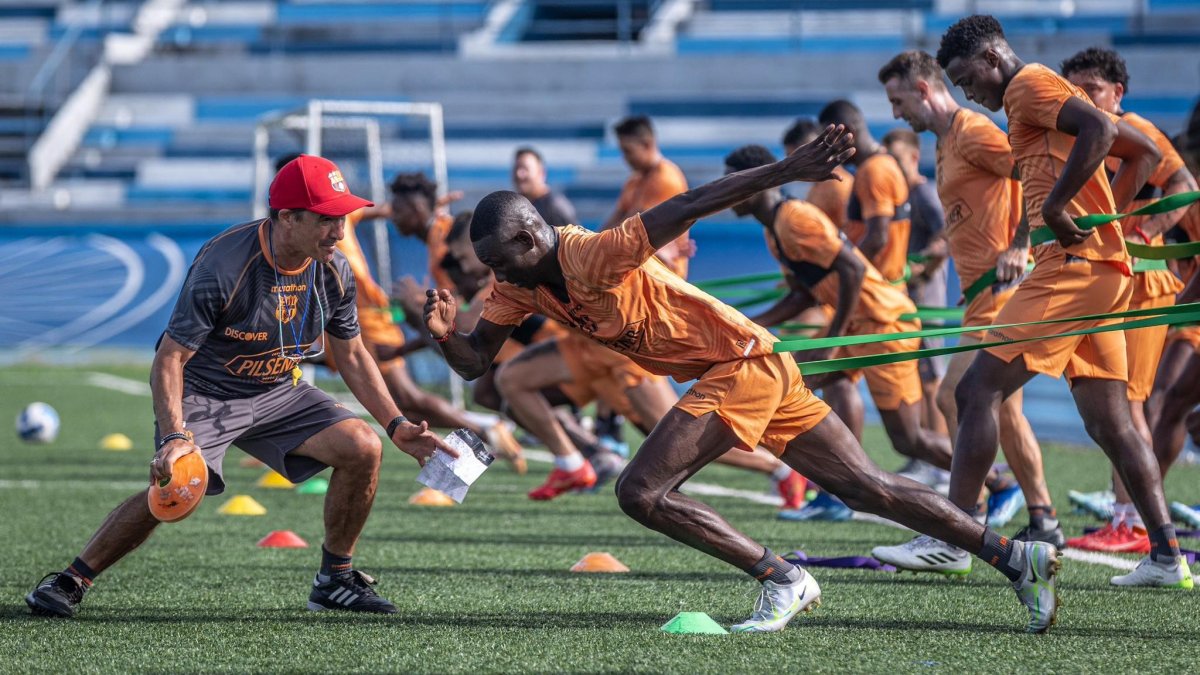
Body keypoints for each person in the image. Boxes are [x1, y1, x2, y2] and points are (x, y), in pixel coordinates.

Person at [426, 126, 1062, 634]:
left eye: (499, 260)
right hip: (750, 364)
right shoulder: (518, 283)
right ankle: (1015, 557)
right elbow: (479, 360)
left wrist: (789, 170)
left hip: (742, 364)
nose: (493, 276)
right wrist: (444, 336)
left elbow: (692, 202)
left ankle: (782, 578)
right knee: (867, 488)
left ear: (530, 235)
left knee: (641, 491)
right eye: (486, 267)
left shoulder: (593, 252)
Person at [25, 155, 454, 618]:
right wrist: (173, 437)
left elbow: (352, 355)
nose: (340, 231)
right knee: (181, 488)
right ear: (288, 219)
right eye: (327, 219)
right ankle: (72, 579)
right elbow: (170, 358)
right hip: (205, 393)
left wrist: (395, 424)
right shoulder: (224, 264)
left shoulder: (333, 269)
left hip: (277, 391)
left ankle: (336, 578)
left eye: (342, 217)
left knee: (363, 447)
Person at [937, 15, 1191, 589]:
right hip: (1097, 266)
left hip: (1070, 268)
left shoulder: (1028, 85)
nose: (966, 94)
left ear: (990, 60)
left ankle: (951, 534)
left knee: (975, 391)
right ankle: (1168, 558)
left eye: (964, 79)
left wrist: (1056, 210)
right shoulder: (1031, 96)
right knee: (1111, 422)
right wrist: (1111, 226)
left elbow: (1102, 132)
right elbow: (1143, 152)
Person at [724, 144, 1017, 529]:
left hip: (883, 324)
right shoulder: (774, 230)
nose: (728, 193)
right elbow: (802, 294)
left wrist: (833, 335)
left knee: (908, 439)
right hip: (858, 324)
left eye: (733, 181)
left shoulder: (796, 218)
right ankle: (838, 491)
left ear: (755, 181)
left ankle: (999, 483)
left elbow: (852, 270)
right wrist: (747, 321)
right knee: (801, 380)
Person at [873, 51, 1061, 563]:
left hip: (1002, 294)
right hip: (982, 293)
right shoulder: (943, 142)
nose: (895, 114)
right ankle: (1042, 518)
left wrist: (1020, 244)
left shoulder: (973, 129)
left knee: (957, 393)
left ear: (923, 88)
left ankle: (960, 528)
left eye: (898, 100)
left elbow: (1033, 172)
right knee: (1000, 409)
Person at [269, 156, 527, 473]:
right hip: (346, 316)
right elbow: (385, 211)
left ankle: (485, 428)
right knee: (400, 404)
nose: (394, 217)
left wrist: (429, 212)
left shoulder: (439, 243)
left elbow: (465, 298)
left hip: (368, 317)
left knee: (405, 397)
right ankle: (481, 428)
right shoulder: (335, 219)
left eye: (402, 210)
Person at [1058, 47, 1200, 553]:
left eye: (1091, 90)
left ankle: (1133, 525)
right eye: (1074, 90)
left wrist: (1138, 229)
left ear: (1118, 92)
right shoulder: (1087, 133)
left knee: (1133, 404)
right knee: (1122, 404)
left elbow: (1185, 186)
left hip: (1145, 280)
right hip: (1120, 279)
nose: (1082, 99)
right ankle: (1130, 519)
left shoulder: (1134, 127)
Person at [882, 128, 953, 453]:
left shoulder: (923, 194)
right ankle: (926, 453)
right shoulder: (898, 194)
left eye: (895, 159)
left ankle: (939, 455)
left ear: (912, 157)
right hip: (905, 298)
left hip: (926, 297)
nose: (891, 167)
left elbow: (946, 235)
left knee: (930, 378)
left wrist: (921, 270)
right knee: (915, 374)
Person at [818, 100, 912, 285]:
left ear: (849, 131)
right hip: (881, 290)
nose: (829, 149)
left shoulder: (874, 171)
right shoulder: (878, 165)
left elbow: (877, 238)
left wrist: (839, 279)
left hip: (878, 295)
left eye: (831, 140)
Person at [783, 117, 853, 229]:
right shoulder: (818, 184)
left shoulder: (837, 184)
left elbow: (852, 233)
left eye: (793, 160)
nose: (792, 167)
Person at [512, 146, 577, 228]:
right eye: (516, 168)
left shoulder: (555, 207)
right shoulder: (519, 206)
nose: (519, 174)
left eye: (525, 169)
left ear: (541, 173)